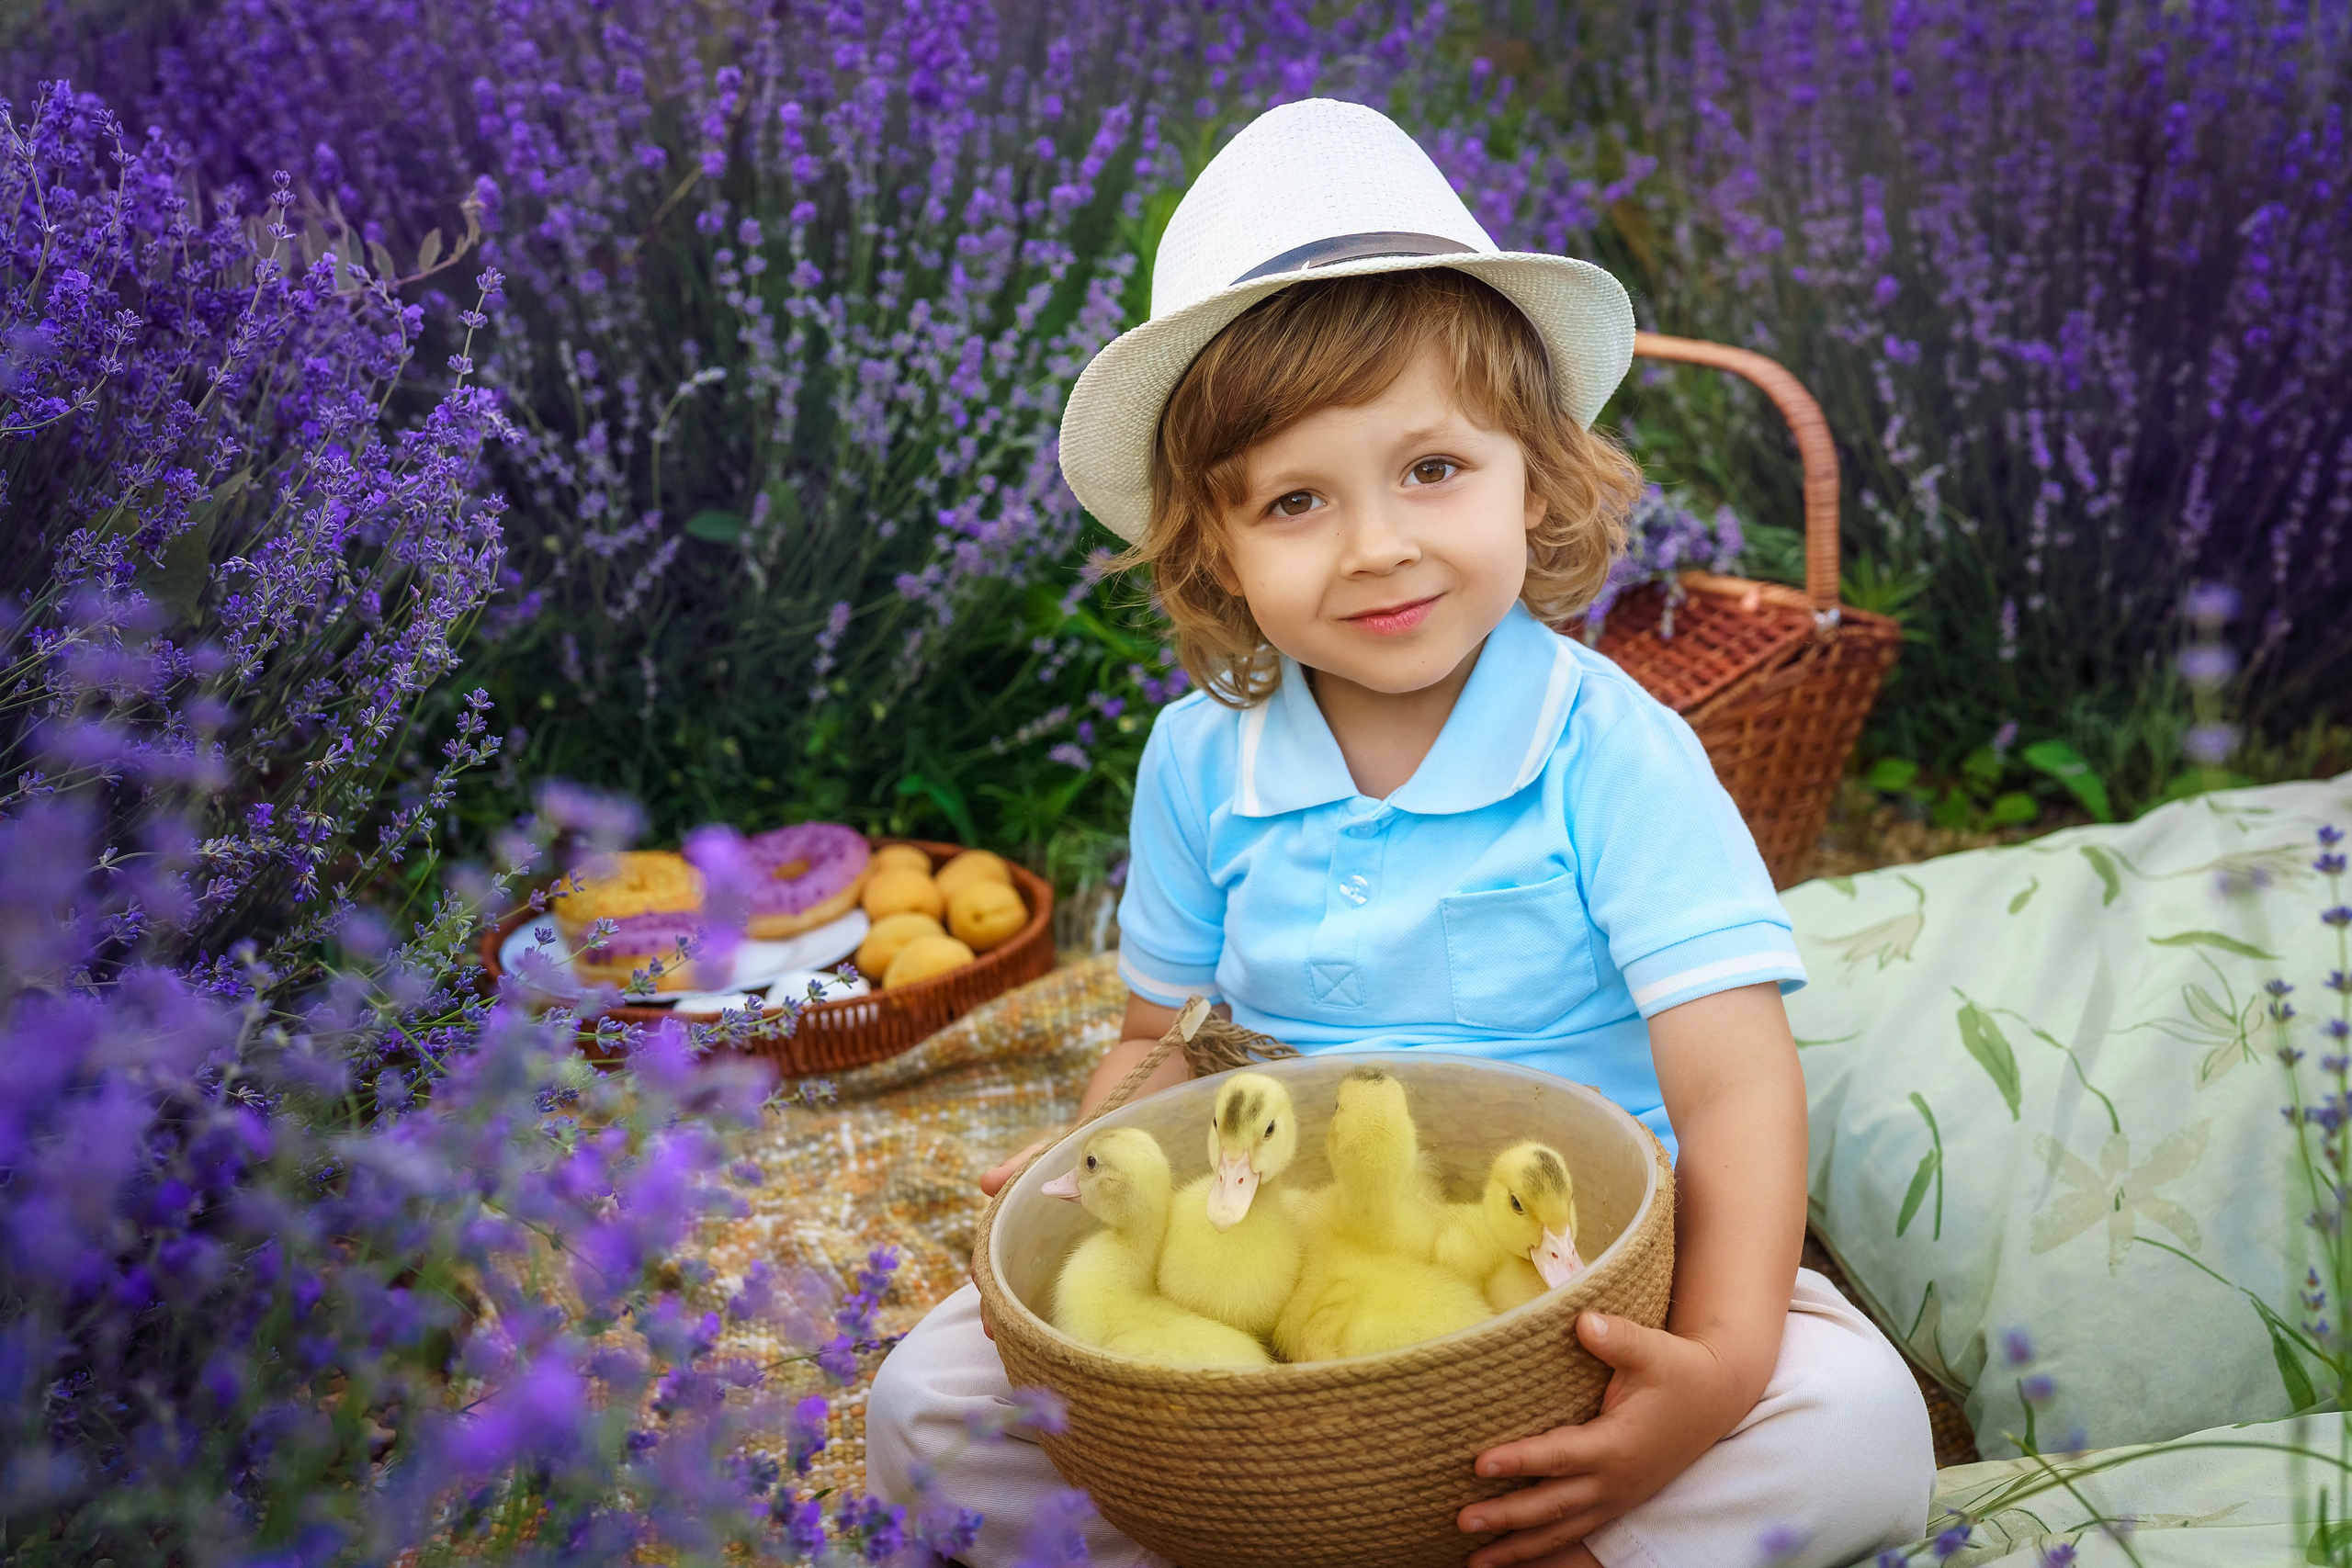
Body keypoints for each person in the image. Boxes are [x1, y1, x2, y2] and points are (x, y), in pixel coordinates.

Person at [867, 97, 1933, 1568]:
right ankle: (1313, 1518)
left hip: (1583, 1258)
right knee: (924, 1406)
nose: (1377, 546)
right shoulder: (1201, 764)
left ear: (1534, 477)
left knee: (1859, 1424)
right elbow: (1160, 1042)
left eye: (1432, 469)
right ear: (1215, 552)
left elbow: (1738, 1082)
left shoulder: (1608, 749)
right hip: (1298, 1253)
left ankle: (1523, 1517)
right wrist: (1094, 1154)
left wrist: (1723, 1370)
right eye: (1297, 499)